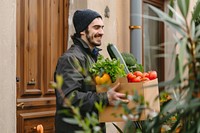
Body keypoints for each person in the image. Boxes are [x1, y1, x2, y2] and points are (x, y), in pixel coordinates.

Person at [54, 9, 129, 133]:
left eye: (102, 27)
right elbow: (67, 99)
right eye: (96, 27)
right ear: (82, 31)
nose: (102, 32)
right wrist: (105, 98)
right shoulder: (70, 59)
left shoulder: (94, 58)